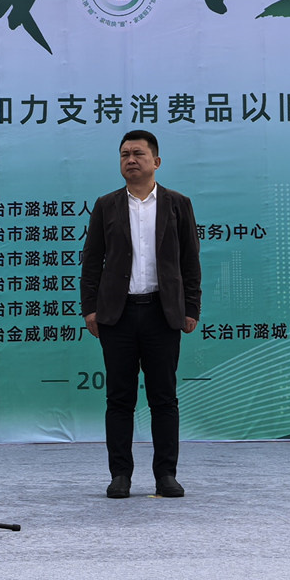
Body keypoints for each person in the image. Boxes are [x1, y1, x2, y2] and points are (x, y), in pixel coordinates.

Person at [81, 130, 201, 499]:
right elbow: (92, 261)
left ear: (156, 162)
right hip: (117, 316)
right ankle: (120, 475)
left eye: (138, 154)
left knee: (164, 398)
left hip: (162, 314)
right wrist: (90, 309)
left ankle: (166, 475)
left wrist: (191, 308)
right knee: (119, 399)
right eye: (124, 154)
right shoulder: (106, 205)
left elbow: (190, 261)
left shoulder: (178, 204)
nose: (130, 160)